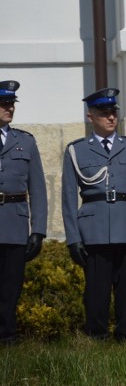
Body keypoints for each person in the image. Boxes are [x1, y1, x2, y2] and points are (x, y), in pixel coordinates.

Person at [61, 87, 126, 340]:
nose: (111, 117)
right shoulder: (76, 150)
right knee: (96, 291)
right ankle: (96, 337)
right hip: (94, 230)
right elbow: (68, 198)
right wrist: (73, 238)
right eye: (104, 113)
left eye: (113, 112)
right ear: (90, 116)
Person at [0, 81, 47, 344]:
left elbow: (38, 189)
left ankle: (8, 338)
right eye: (4, 104)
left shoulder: (25, 142)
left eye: (11, 104)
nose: (10, 109)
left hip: (15, 225)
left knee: (11, 288)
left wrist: (38, 230)